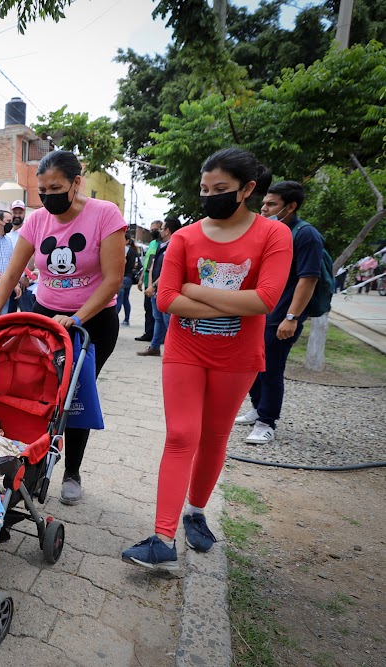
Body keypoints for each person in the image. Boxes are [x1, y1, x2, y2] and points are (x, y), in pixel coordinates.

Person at [121, 147, 292, 572]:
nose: (209, 196)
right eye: (204, 189)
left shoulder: (273, 235)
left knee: (215, 437)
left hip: (237, 358)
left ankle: (196, 513)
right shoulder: (185, 237)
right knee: (181, 436)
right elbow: (166, 300)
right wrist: (233, 303)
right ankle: (162, 538)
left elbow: (265, 300)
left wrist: (194, 291)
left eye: (221, 189)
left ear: (247, 189)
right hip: (186, 352)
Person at [0, 149, 127, 505]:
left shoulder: (104, 215)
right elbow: (13, 271)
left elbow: (113, 280)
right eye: (42, 191)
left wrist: (77, 318)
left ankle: (72, 471)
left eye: (56, 188)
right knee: (37, 393)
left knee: (74, 397)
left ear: (77, 183)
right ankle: (34, 462)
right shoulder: (37, 220)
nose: (49, 197)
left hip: (92, 322)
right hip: (46, 316)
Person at [234, 181, 324, 444]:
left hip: (282, 315)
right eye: (263, 203)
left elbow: (308, 279)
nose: (264, 208)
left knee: (271, 368)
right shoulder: (269, 232)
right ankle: (257, 407)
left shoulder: (305, 235)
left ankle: (266, 421)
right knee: (253, 364)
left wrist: (292, 317)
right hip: (258, 311)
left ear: (291, 206)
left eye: (271, 204)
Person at [136, 218, 182, 357]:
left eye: (161, 229)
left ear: (167, 231)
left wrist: (154, 286)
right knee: (158, 319)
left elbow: (169, 271)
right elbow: (151, 265)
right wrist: (149, 284)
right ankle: (155, 347)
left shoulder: (175, 246)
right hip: (156, 289)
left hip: (166, 289)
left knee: (168, 321)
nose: (159, 232)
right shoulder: (159, 245)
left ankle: (174, 351)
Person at [135, 221, 163, 342]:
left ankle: (159, 336)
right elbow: (147, 262)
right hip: (147, 279)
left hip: (156, 281)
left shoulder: (162, 245)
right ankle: (148, 333)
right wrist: (141, 279)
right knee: (148, 308)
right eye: (151, 230)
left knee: (157, 312)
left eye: (155, 229)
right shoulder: (152, 243)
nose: (153, 232)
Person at [7, 199, 35, 313]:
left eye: (20, 212)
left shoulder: (28, 231)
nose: (17, 215)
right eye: (15, 212)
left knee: (27, 316)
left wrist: (26, 276)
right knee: (9, 318)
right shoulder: (7, 234)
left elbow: (32, 255)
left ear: (24, 213)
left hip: (24, 284)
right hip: (9, 283)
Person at [116, 234, 140, 325]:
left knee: (119, 299)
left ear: (127, 241)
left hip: (123, 277)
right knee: (125, 299)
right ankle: (126, 319)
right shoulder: (133, 251)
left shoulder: (122, 250)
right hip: (129, 278)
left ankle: (115, 318)